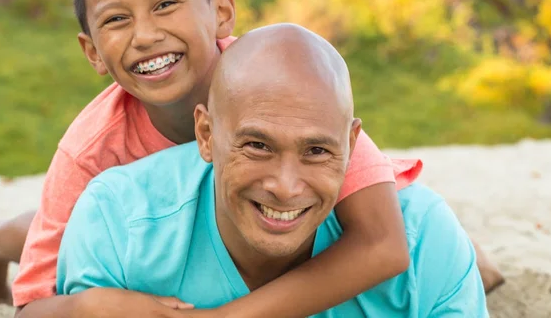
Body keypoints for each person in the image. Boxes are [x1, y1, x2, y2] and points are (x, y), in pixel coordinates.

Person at [0, 0, 428, 317]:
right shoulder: (91, 148)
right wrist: (90, 306)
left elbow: (383, 244)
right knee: (37, 233)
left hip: (250, 237)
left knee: (476, 268)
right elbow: (32, 306)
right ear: (93, 53)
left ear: (222, 13)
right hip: (146, 232)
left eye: (166, 5)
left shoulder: (284, 86)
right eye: (116, 19)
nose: (146, 35)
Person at [58, 23, 490, 317]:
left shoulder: (423, 239)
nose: (285, 186)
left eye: (317, 151)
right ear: (205, 135)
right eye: (257, 146)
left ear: (353, 145)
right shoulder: (116, 223)